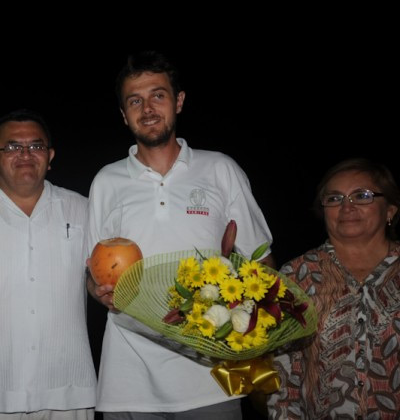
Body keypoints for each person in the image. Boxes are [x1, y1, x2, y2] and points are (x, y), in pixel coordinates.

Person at [86, 50, 274, 420]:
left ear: (179, 101)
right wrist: (102, 294)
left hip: (209, 377)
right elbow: (92, 274)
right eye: (135, 101)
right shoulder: (106, 181)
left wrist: (255, 339)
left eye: (158, 95)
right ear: (124, 115)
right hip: (129, 378)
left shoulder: (220, 169)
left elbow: (262, 265)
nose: (148, 108)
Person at [0, 109, 97, 420]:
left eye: (36, 146)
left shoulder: (83, 208)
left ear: (51, 155)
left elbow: (101, 280)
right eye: (13, 147)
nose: (26, 155)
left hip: (68, 390)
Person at [268, 158, 400, 419]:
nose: (346, 207)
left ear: (390, 211)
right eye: (334, 198)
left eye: (361, 196)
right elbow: (282, 374)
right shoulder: (297, 276)